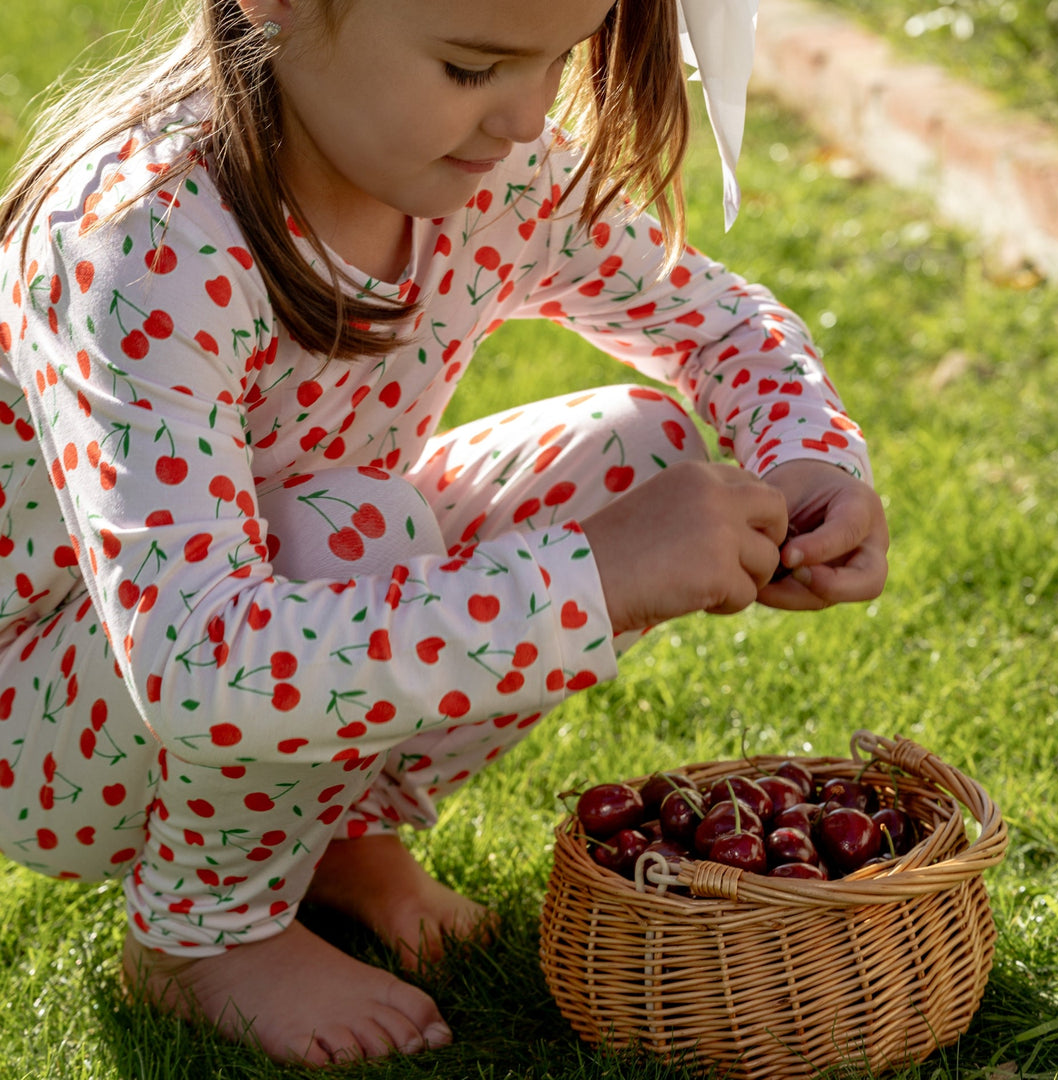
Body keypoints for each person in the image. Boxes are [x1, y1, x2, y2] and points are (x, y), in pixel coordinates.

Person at [0, 0, 889, 1066]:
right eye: (475, 68)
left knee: (639, 450)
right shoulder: (137, 241)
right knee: (352, 530)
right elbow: (195, 660)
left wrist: (806, 455)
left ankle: (332, 832)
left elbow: (717, 319)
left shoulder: (499, 175)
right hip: (51, 715)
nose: (525, 117)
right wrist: (593, 582)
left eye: (558, 60)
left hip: (263, 618)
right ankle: (204, 936)